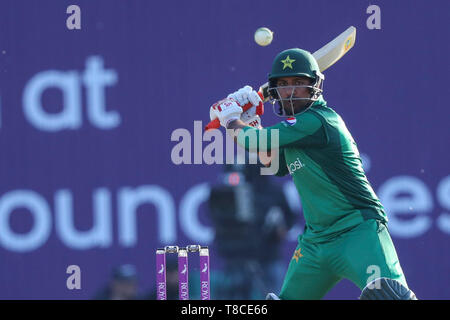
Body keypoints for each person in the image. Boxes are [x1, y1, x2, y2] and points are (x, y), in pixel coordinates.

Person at [208, 48, 417, 300]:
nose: (291, 91)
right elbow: (273, 164)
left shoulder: (318, 120)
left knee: (390, 296)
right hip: (316, 243)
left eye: (299, 83)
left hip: (358, 231)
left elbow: (254, 142)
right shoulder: (296, 130)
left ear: (314, 85)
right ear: (274, 92)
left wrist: (231, 119)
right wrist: (251, 120)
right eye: (283, 85)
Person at [208, 162, 296, 299]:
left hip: (269, 255)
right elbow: (216, 215)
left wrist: (280, 228)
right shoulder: (226, 194)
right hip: (237, 257)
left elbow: (290, 217)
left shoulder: (273, 192)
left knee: (275, 294)